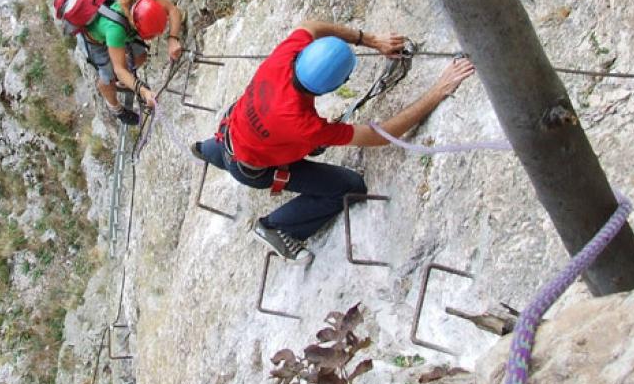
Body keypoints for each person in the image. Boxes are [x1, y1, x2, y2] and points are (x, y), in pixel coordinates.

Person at [192, 21, 475, 263]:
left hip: (231, 131)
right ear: (333, 87)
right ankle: (277, 228)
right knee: (349, 187)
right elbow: (381, 135)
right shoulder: (304, 125)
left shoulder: (286, 55)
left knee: (236, 146)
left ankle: (206, 150)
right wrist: (438, 91)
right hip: (254, 169)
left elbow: (313, 25)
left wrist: (371, 40)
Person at [77, 0, 183, 125]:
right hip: (94, 41)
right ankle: (116, 109)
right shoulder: (115, 31)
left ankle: (124, 84)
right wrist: (144, 92)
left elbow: (172, 10)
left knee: (141, 56)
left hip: (120, 26)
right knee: (108, 77)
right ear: (135, 25)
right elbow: (119, 69)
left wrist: (173, 39)